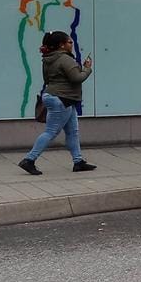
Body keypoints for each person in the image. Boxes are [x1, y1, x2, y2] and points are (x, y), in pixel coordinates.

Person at [19, 31, 95, 175]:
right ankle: (29, 159)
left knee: (73, 132)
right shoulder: (65, 59)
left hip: (58, 97)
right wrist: (87, 69)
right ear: (62, 45)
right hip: (62, 98)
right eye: (69, 42)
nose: (71, 45)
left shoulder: (48, 58)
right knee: (51, 132)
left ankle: (78, 161)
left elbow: (48, 79)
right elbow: (76, 78)